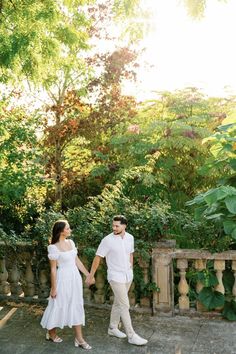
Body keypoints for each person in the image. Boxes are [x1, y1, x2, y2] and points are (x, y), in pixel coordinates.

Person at [86, 215, 148, 346]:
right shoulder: (107, 240)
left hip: (127, 275)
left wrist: (130, 268)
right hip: (115, 277)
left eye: (117, 226)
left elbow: (130, 253)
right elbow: (97, 258)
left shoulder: (130, 237)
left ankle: (113, 328)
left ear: (124, 226)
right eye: (113, 225)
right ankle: (131, 335)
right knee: (125, 305)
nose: (114, 228)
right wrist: (91, 276)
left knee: (118, 303)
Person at [40, 219, 94, 349]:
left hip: (74, 278)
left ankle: (79, 338)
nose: (70, 230)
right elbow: (53, 269)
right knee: (57, 305)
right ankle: (51, 333)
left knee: (76, 305)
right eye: (68, 228)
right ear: (61, 231)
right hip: (62, 278)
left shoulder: (71, 242)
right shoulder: (53, 247)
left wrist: (88, 275)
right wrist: (54, 288)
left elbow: (77, 261)